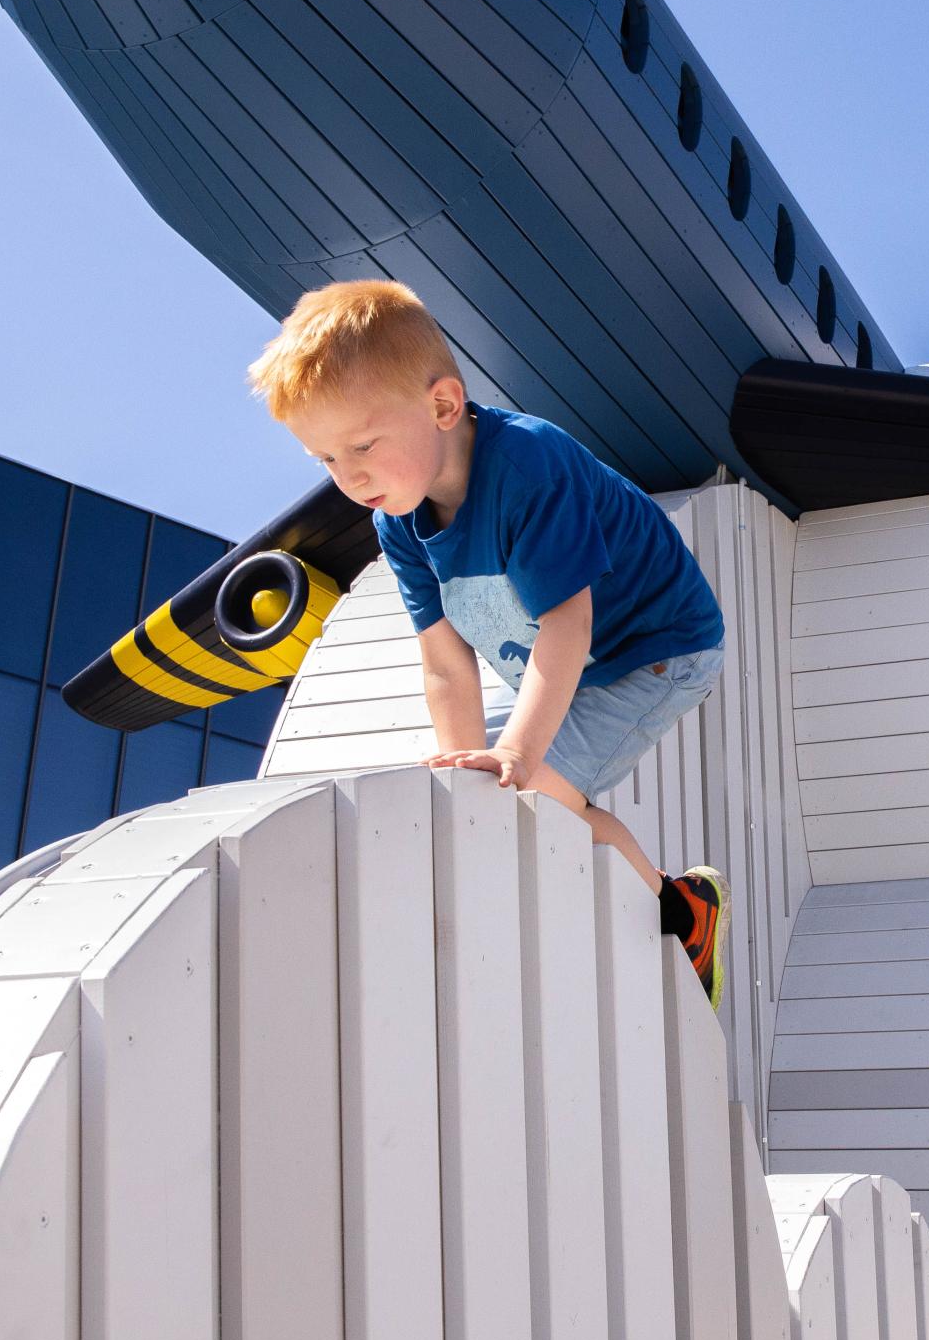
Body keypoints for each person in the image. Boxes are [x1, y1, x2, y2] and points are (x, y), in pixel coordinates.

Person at [249, 281, 733, 1000]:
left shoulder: (529, 468)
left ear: (443, 405)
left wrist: (512, 757)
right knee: (484, 791)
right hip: (575, 663)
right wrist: (466, 776)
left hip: (654, 650)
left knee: (530, 786)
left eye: (362, 445)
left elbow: (569, 623)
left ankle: (683, 911)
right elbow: (445, 663)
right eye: (325, 460)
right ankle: (657, 892)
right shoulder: (399, 520)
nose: (349, 477)